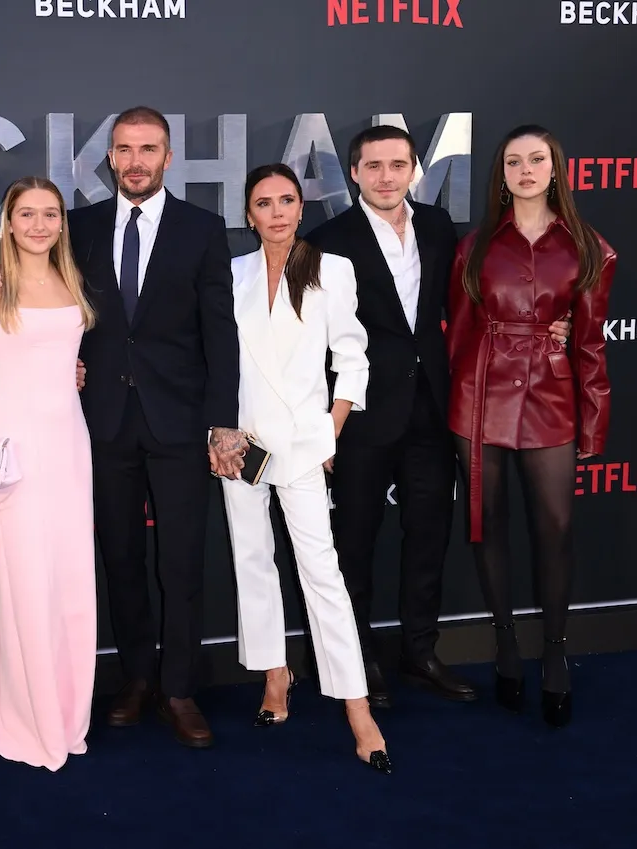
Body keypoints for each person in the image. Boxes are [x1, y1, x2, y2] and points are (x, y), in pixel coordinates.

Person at [0, 106, 245, 748]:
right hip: (98, 427)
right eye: (125, 149)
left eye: (149, 149)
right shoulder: (77, 228)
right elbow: (25, 280)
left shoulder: (201, 230)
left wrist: (222, 424)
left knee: (180, 563)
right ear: (110, 157)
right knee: (118, 559)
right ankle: (136, 679)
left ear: (168, 157)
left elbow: (219, 333)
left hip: (178, 424)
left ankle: (178, 689)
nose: (136, 160)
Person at [304, 126, 571, 707]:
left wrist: (555, 323)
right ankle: (358, 662)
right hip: (362, 414)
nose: (385, 177)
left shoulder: (439, 228)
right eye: (373, 166)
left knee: (429, 537)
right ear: (354, 173)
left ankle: (420, 653)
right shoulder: (325, 240)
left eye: (397, 165)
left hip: (432, 407)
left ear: (413, 171)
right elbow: (309, 338)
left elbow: (486, 301)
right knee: (355, 543)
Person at [220, 163, 390, 774]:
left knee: (321, 570)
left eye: (287, 200)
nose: (277, 212)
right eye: (263, 203)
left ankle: (357, 706)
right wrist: (222, 432)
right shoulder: (232, 273)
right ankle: (274, 674)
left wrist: (331, 432)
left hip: (302, 444)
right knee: (251, 561)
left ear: (300, 207)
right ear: (249, 214)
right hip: (240, 445)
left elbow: (352, 357)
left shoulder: (330, 269)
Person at [446, 125, 615, 729]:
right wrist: (457, 410)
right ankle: (506, 644)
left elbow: (591, 347)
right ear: (501, 174)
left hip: (552, 397)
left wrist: (592, 426)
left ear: (555, 168)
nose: (524, 170)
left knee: (556, 530)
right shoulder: (475, 247)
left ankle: (556, 653)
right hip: (478, 397)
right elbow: (459, 337)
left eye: (535, 159)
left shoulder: (589, 249)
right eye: (513, 161)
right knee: (487, 527)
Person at [0, 176, 99, 771]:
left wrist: (71, 371)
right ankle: (24, 716)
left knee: (69, 580)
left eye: (50, 214)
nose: (38, 224)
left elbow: (60, 356)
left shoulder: (70, 278)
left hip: (70, 443)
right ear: (7, 222)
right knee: (24, 579)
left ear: (62, 222)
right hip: (16, 447)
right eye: (25, 214)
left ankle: (63, 712)